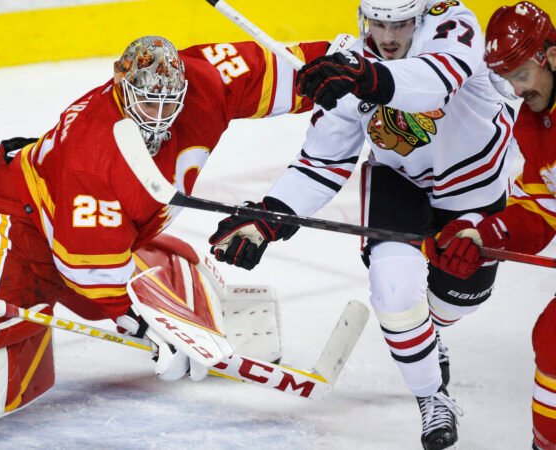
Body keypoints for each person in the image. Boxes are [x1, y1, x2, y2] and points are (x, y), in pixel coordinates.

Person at [0, 35, 334, 449]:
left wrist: (356, 71)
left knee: (167, 269)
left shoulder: (204, 78)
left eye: (171, 101)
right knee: (4, 342)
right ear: (122, 87)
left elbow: (291, 69)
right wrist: (141, 323)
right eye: (148, 102)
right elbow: (89, 274)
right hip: (19, 224)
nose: (162, 115)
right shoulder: (92, 154)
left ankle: (206, 313)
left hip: (106, 232)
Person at [207, 1, 516, 449]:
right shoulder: (351, 62)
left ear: (421, 18)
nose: (388, 37)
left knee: (455, 303)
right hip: (398, 180)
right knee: (394, 293)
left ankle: (430, 330)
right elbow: (322, 162)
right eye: (379, 24)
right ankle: (433, 397)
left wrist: (364, 76)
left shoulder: (453, 24)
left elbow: (434, 83)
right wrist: (270, 218)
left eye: (401, 24)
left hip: (473, 187)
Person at [425, 2, 556, 448]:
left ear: (549, 56)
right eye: (507, 79)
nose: (517, 90)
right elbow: (541, 210)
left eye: (521, 75)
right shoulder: (534, 126)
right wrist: (484, 235)